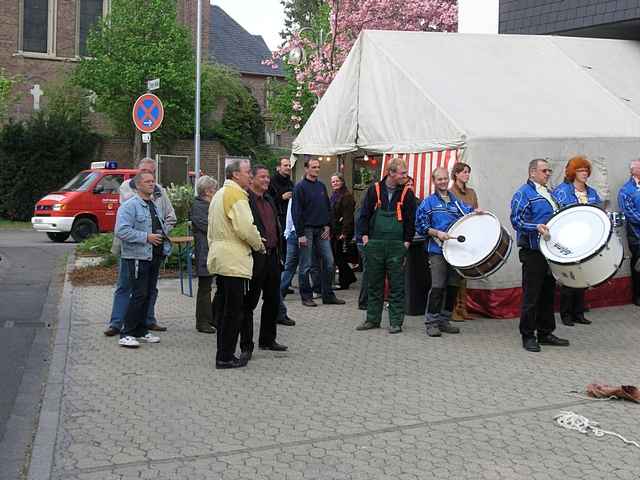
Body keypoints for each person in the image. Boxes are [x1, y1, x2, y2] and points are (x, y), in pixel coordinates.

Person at [104, 158, 176, 336]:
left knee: (148, 288)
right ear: (138, 172)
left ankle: (146, 322)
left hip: (153, 249)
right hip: (131, 249)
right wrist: (147, 235)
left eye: (151, 173)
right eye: (144, 172)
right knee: (126, 286)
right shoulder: (128, 188)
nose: (148, 176)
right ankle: (118, 324)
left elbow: (170, 217)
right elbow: (129, 218)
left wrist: (159, 232)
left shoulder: (161, 193)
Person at [208, 159, 265, 369]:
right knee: (233, 311)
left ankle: (222, 353)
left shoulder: (220, 194)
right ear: (235, 175)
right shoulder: (236, 195)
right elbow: (245, 228)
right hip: (234, 259)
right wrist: (259, 244)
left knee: (224, 309)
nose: (250, 175)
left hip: (221, 256)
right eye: (248, 172)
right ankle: (225, 356)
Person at [511, 158, 570, 352]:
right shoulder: (523, 193)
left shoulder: (550, 193)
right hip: (533, 251)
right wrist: (535, 227)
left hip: (549, 251)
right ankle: (527, 335)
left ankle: (545, 332)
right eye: (544, 171)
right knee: (532, 295)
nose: (548, 174)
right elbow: (516, 220)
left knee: (547, 293)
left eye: (549, 171)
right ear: (532, 172)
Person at [355, 158, 417, 334]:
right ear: (391, 173)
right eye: (402, 173)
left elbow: (410, 221)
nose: (406, 176)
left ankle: (396, 321)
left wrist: (406, 242)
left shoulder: (407, 193)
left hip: (397, 245)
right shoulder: (374, 190)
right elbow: (363, 215)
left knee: (397, 285)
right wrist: (365, 237)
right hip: (375, 243)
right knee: (374, 284)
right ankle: (372, 319)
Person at [416, 167, 476, 338]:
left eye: (444, 179)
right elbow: (420, 226)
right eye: (439, 179)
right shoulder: (427, 203)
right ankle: (431, 322)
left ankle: (445, 319)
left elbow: (468, 213)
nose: (442, 182)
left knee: (453, 286)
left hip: (455, 251)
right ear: (434, 181)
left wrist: (477, 212)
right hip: (436, 251)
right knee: (437, 286)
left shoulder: (455, 201)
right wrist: (437, 233)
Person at [239, 165, 288, 366]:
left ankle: (267, 339)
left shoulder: (269, 200)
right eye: (262, 176)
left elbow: (276, 226)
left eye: (268, 177)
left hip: (273, 257)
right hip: (256, 257)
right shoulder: (246, 200)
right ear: (252, 180)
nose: (267, 180)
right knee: (249, 303)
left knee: (273, 300)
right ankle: (246, 346)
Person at [552, 156, 601, 326]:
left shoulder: (592, 192)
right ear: (573, 172)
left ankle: (578, 312)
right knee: (569, 276)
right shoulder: (561, 191)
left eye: (586, 170)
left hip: (586, 240)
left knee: (582, 275)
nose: (584, 173)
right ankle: (566, 313)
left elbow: (598, 213)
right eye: (580, 170)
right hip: (568, 239)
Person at [291, 158, 345, 306]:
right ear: (306, 169)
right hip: (306, 230)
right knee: (306, 265)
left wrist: (328, 226)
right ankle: (306, 297)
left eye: (318, 167)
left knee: (329, 262)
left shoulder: (321, 186)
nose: (317, 169)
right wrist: (300, 234)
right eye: (314, 167)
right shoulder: (300, 187)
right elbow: (296, 212)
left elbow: (327, 208)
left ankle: (327, 295)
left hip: (322, 229)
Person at [449, 162, 478, 322]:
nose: (467, 175)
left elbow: (475, 210)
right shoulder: (450, 192)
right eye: (464, 172)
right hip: (455, 235)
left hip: (469, 234)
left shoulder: (472, 193)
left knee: (464, 275)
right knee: (454, 273)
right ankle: (453, 309)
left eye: (468, 172)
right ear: (456, 174)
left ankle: (463, 308)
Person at [190, 176, 219, 334]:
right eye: (214, 189)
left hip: (212, 251)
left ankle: (213, 316)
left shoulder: (209, 205)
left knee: (216, 286)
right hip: (204, 252)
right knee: (205, 288)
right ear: (207, 192)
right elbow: (208, 227)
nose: (216, 192)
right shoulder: (199, 206)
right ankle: (203, 321)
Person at [618, 158, 640, 306]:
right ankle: (637, 296)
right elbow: (628, 212)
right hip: (637, 236)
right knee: (638, 266)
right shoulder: (625, 190)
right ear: (633, 170)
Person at [330, 173, 357, 290]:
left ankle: (346, 279)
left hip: (343, 230)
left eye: (337, 181)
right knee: (338, 256)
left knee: (339, 256)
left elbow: (347, 216)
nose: (335, 183)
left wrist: (344, 233)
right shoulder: (335, 195)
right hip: (335, 229)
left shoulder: (347, 196)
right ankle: (347, 278)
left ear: (342, 182)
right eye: (333, 182)